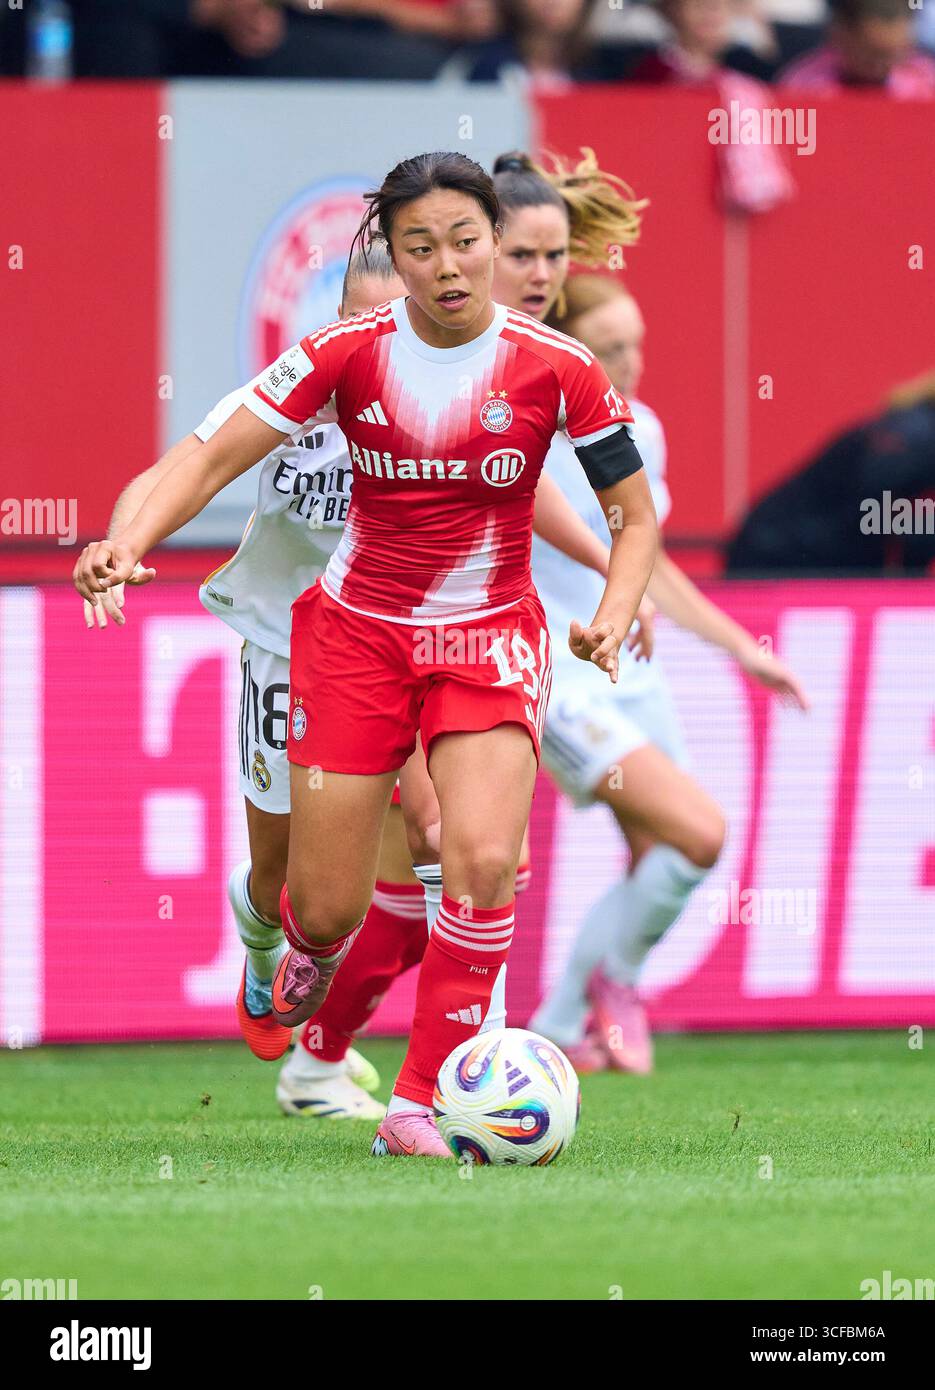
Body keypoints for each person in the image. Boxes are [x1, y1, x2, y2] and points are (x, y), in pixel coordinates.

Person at [74, 150, 658, 1155]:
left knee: (479, 859)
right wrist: (128, 543)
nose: (445, 265)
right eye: (419, 245)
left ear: (496, 247)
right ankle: (301, 950)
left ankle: (416, 1104)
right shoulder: (343, 355)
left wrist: (613, 602)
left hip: (486, 639)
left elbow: (629, 514)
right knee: (324, 900)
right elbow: (206, 456)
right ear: (390, 251)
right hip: (353, 638)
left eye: (465, 243)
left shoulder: (557, 368)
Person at [525, 269, 808, 1071]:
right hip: (556, 672)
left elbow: (649, 564)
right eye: (609, 349)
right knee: (697, 832)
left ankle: (558, 1026)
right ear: (568, 351)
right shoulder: (528, 434)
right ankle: (613, 982)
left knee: (667, 853)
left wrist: (742, 649)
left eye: (635, 345)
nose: (629, 364)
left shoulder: (637, 431)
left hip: (632, 673)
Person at [779, 0, 935, 95]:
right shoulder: (803, 85)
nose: (882, 64)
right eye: (873, 53)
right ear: (842, 36)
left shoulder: (927, 83)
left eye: (893, 54)